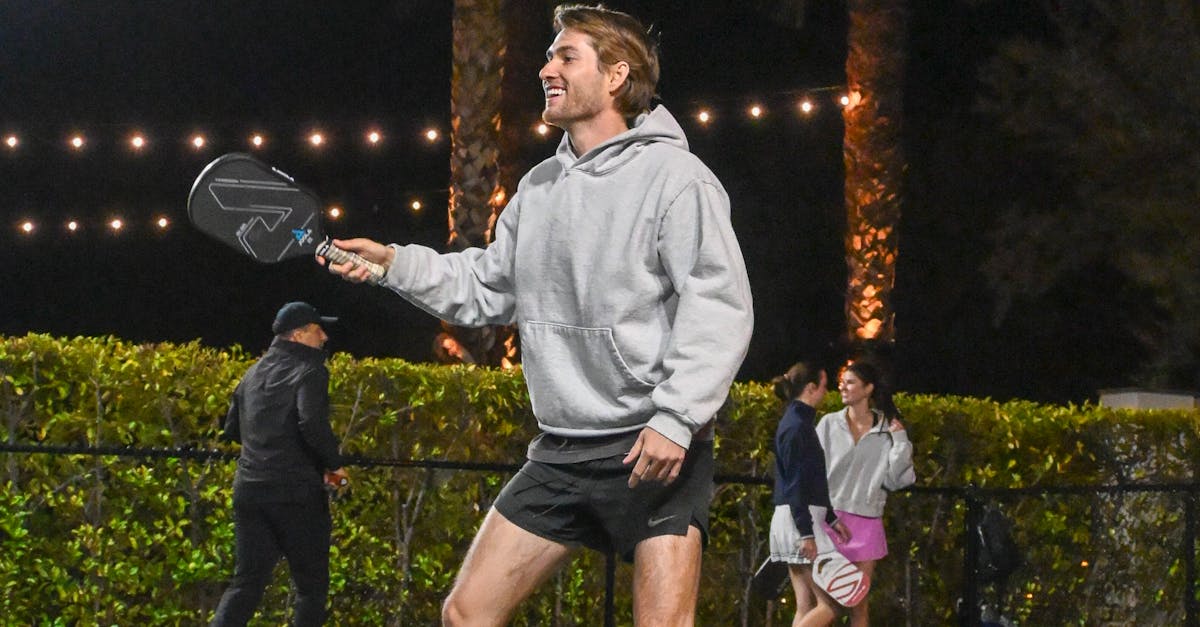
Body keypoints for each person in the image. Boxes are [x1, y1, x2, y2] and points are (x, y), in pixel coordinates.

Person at [321, 4, 753, 624]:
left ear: (615, 76)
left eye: (565, 56)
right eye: (548, 55)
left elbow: (719, 305)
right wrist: (392, 263)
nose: (545, 67)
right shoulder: (539, 187)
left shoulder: (678, 179)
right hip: (562, 451)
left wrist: (677, 418)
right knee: (465, 615)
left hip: (651, 448)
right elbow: (486, 286)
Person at [211, 302, 350, 627]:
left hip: (250, 491)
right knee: (311, 588)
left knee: (246, 583)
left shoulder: (253, 372)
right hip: (295, 494)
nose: (325, 337)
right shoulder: (311, 369)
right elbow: (311, 422)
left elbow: (231, 428)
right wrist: (335, 466)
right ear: (300, 334)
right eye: (318, 330)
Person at [814, 360, 915, 627]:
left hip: (867, 524)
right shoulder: (828, 424)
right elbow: (811, 470)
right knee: (826, 606)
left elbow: (897, 480)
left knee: (858, 607)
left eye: (850, 382)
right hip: (829, 521)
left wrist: (901, 442)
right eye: (842, 382)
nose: (843, 387)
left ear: (868, 388)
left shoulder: (887, 430)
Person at [769, 362, 850, 627]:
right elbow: (796, 483)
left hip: (796, 518)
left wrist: (831, 519)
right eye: (824, 386)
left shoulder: (795, 422)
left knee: (806, 605)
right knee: (832, 604)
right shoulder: (797, 427)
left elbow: (806, 481)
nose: (827, 392)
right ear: (811, 388)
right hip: (800, 522)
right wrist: (806, 532)